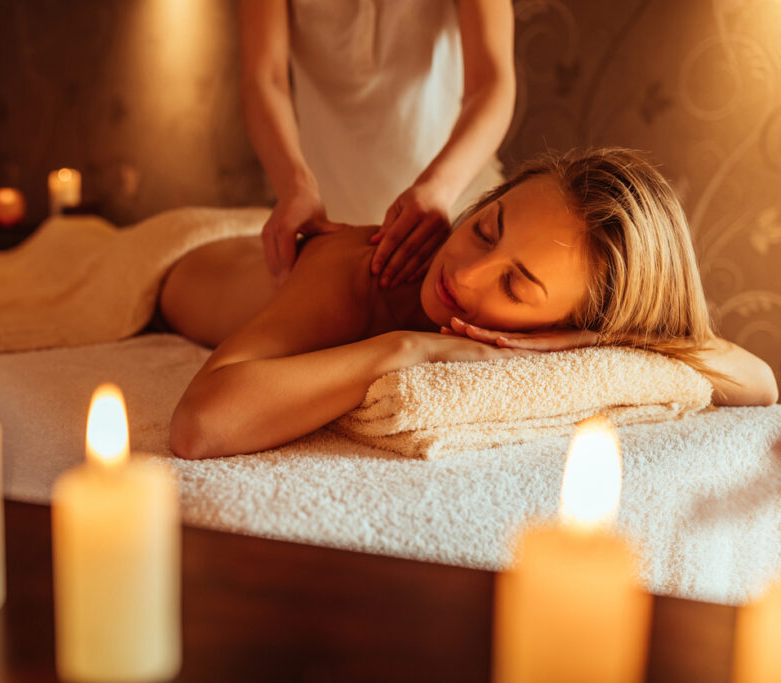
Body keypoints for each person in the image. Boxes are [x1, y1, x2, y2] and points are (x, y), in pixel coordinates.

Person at [160, 148, 779, 459]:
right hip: (184, 255)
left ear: (564, 322)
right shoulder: (361, 274)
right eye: (485, 228)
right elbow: (199, 426)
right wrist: (408, 348)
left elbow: (759, 382)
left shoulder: (573, 330)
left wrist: (600, 341)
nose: (467, 271)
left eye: (516, 286)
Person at [239, 0, 515, 289]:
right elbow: (265, 78)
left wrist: (438, 189)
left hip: (459, 210)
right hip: (327, 225)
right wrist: (293, 187)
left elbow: (490, 82)